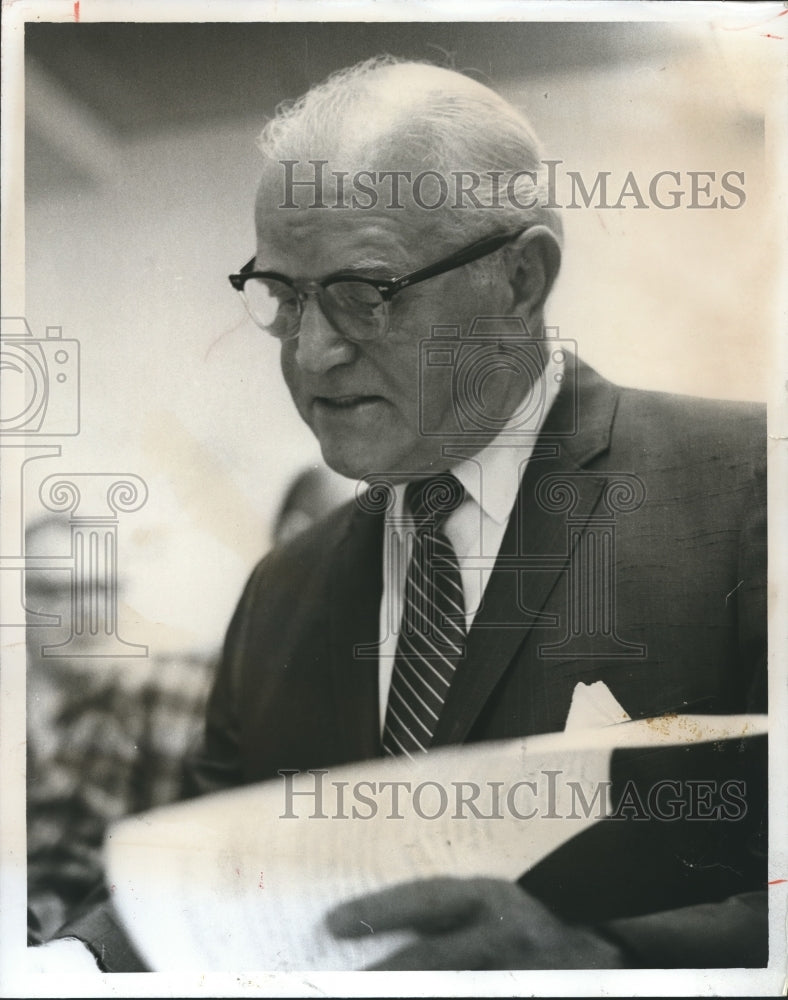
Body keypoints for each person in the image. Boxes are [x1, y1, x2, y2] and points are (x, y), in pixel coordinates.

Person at [49, 56, 766, 971]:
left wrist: (603, 962)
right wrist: (70, 963)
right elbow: (203, 871)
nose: (312, 354)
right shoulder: (282, 590)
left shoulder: (749, 488)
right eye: (284, 297)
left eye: (363, 294)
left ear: (520, 280)